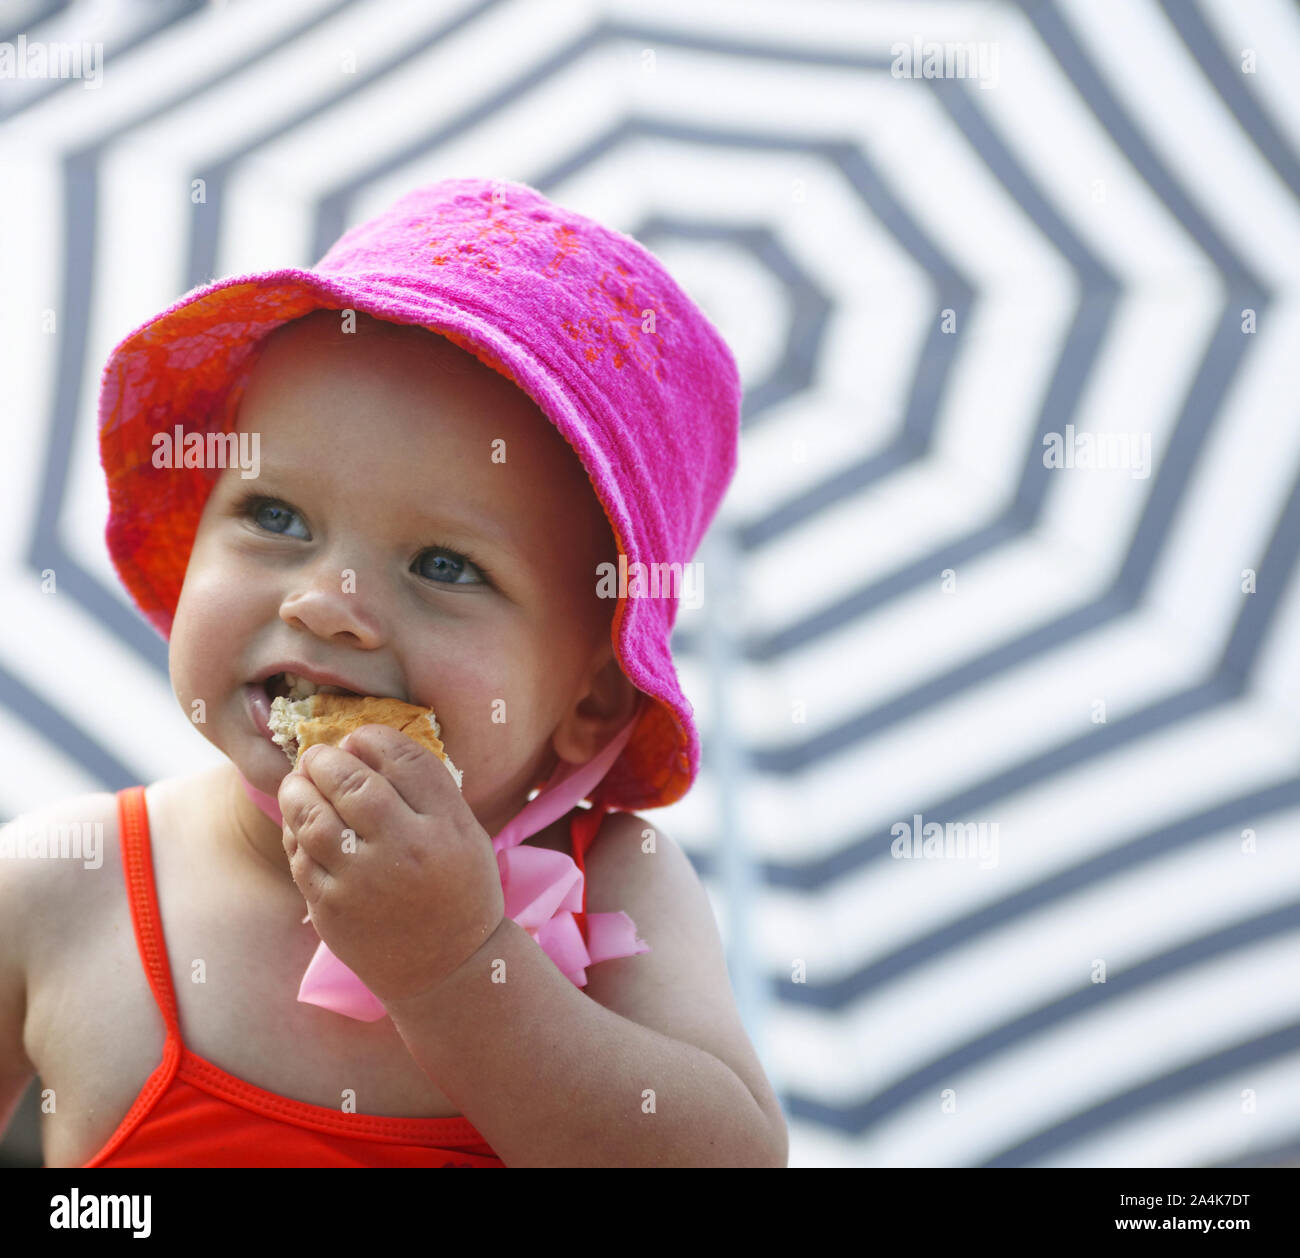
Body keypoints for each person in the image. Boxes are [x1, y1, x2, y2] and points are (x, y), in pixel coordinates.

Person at [0, 177, 787, 1168]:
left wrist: (456, 967)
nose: (326, 603)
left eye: (444, 565)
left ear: (591, 695)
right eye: (274, 515)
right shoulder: (64, 882)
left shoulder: (614, 882)